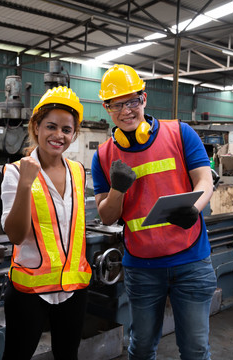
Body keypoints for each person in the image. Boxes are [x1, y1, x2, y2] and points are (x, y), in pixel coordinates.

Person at [91, 64, 217, 360]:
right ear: (107, 108)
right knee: (142, 347)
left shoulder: (180, 133)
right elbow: (107, 217)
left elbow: (205, 179)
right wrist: (117, 190)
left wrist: (194, 208)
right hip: (143, 268)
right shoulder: (104, 156)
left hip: (191, 262)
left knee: (196, 349)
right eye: (117, 104)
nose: (126, 111)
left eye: (132, 101)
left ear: (144, 99)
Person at [0, 86, 92, 360]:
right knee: (17, 356)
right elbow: (16, 235)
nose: (58, 135)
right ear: (36, 126)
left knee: (68, 355)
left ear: (74, 134)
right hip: (30, 291)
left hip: (73, 289)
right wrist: (26, 185)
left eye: (66, 129)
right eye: (51, 126)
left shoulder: (78, 171)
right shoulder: (16, 172)